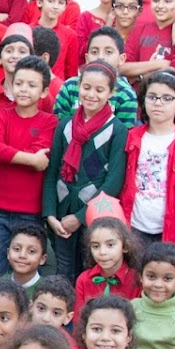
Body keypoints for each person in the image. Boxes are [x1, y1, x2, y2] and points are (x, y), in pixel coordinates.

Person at [43, 62, 129, 282]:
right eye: (87, 87)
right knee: (63, 272)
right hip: (61, 214)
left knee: (89, 272)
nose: (91, 95)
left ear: (111, 93)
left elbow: (113, 181)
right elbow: (52, 172)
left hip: (94, 216)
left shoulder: (117, 130)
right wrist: (51, 214)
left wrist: (80, 218)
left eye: (100, 90)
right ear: (78, 87)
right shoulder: (65, 125)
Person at [0, 55, 59, 265]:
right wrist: (30, 159)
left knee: (26, 268)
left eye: (31, 85)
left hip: (30, 211)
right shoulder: (2, 115)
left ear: (44, 91)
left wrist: (10, 154)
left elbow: (41, 155)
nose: (24, 89)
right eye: (19, 83)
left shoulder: (50, 121)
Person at [120, 70, 175, 250]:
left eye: (167, 98)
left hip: (171, 230)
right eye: (152, 97)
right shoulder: (131, 137)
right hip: (134, 227)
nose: (158, 103)